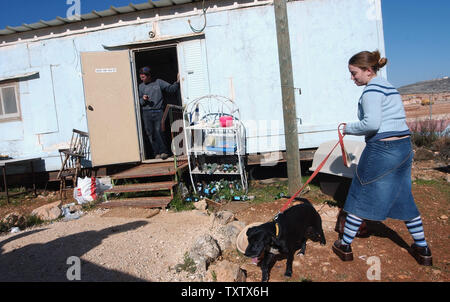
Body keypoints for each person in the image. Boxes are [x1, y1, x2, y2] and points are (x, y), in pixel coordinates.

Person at [332, 50, 432, 266]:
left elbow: (371, 124)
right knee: (403, 194)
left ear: (368, 70)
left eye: (354, 73)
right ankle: (423, 249)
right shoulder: (389, 87)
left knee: (360, 192)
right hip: (403, 147)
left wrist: (348, 128)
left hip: (382, 148)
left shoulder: (371, 91)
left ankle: (345, 244)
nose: (352, 78)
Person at [138, 66, 180, 160]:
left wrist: (177, 82)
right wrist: (143, 100)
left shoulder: (158, 82)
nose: (142, 79)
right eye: (141, 77)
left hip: (158, 111)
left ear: (149, 76)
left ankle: (164, 152)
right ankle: (156, 153)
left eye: (143, 77)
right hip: (146, 113)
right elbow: (138, 102)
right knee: (150, 133)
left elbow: (171, 89)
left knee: (159, 131)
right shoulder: (140, 87)